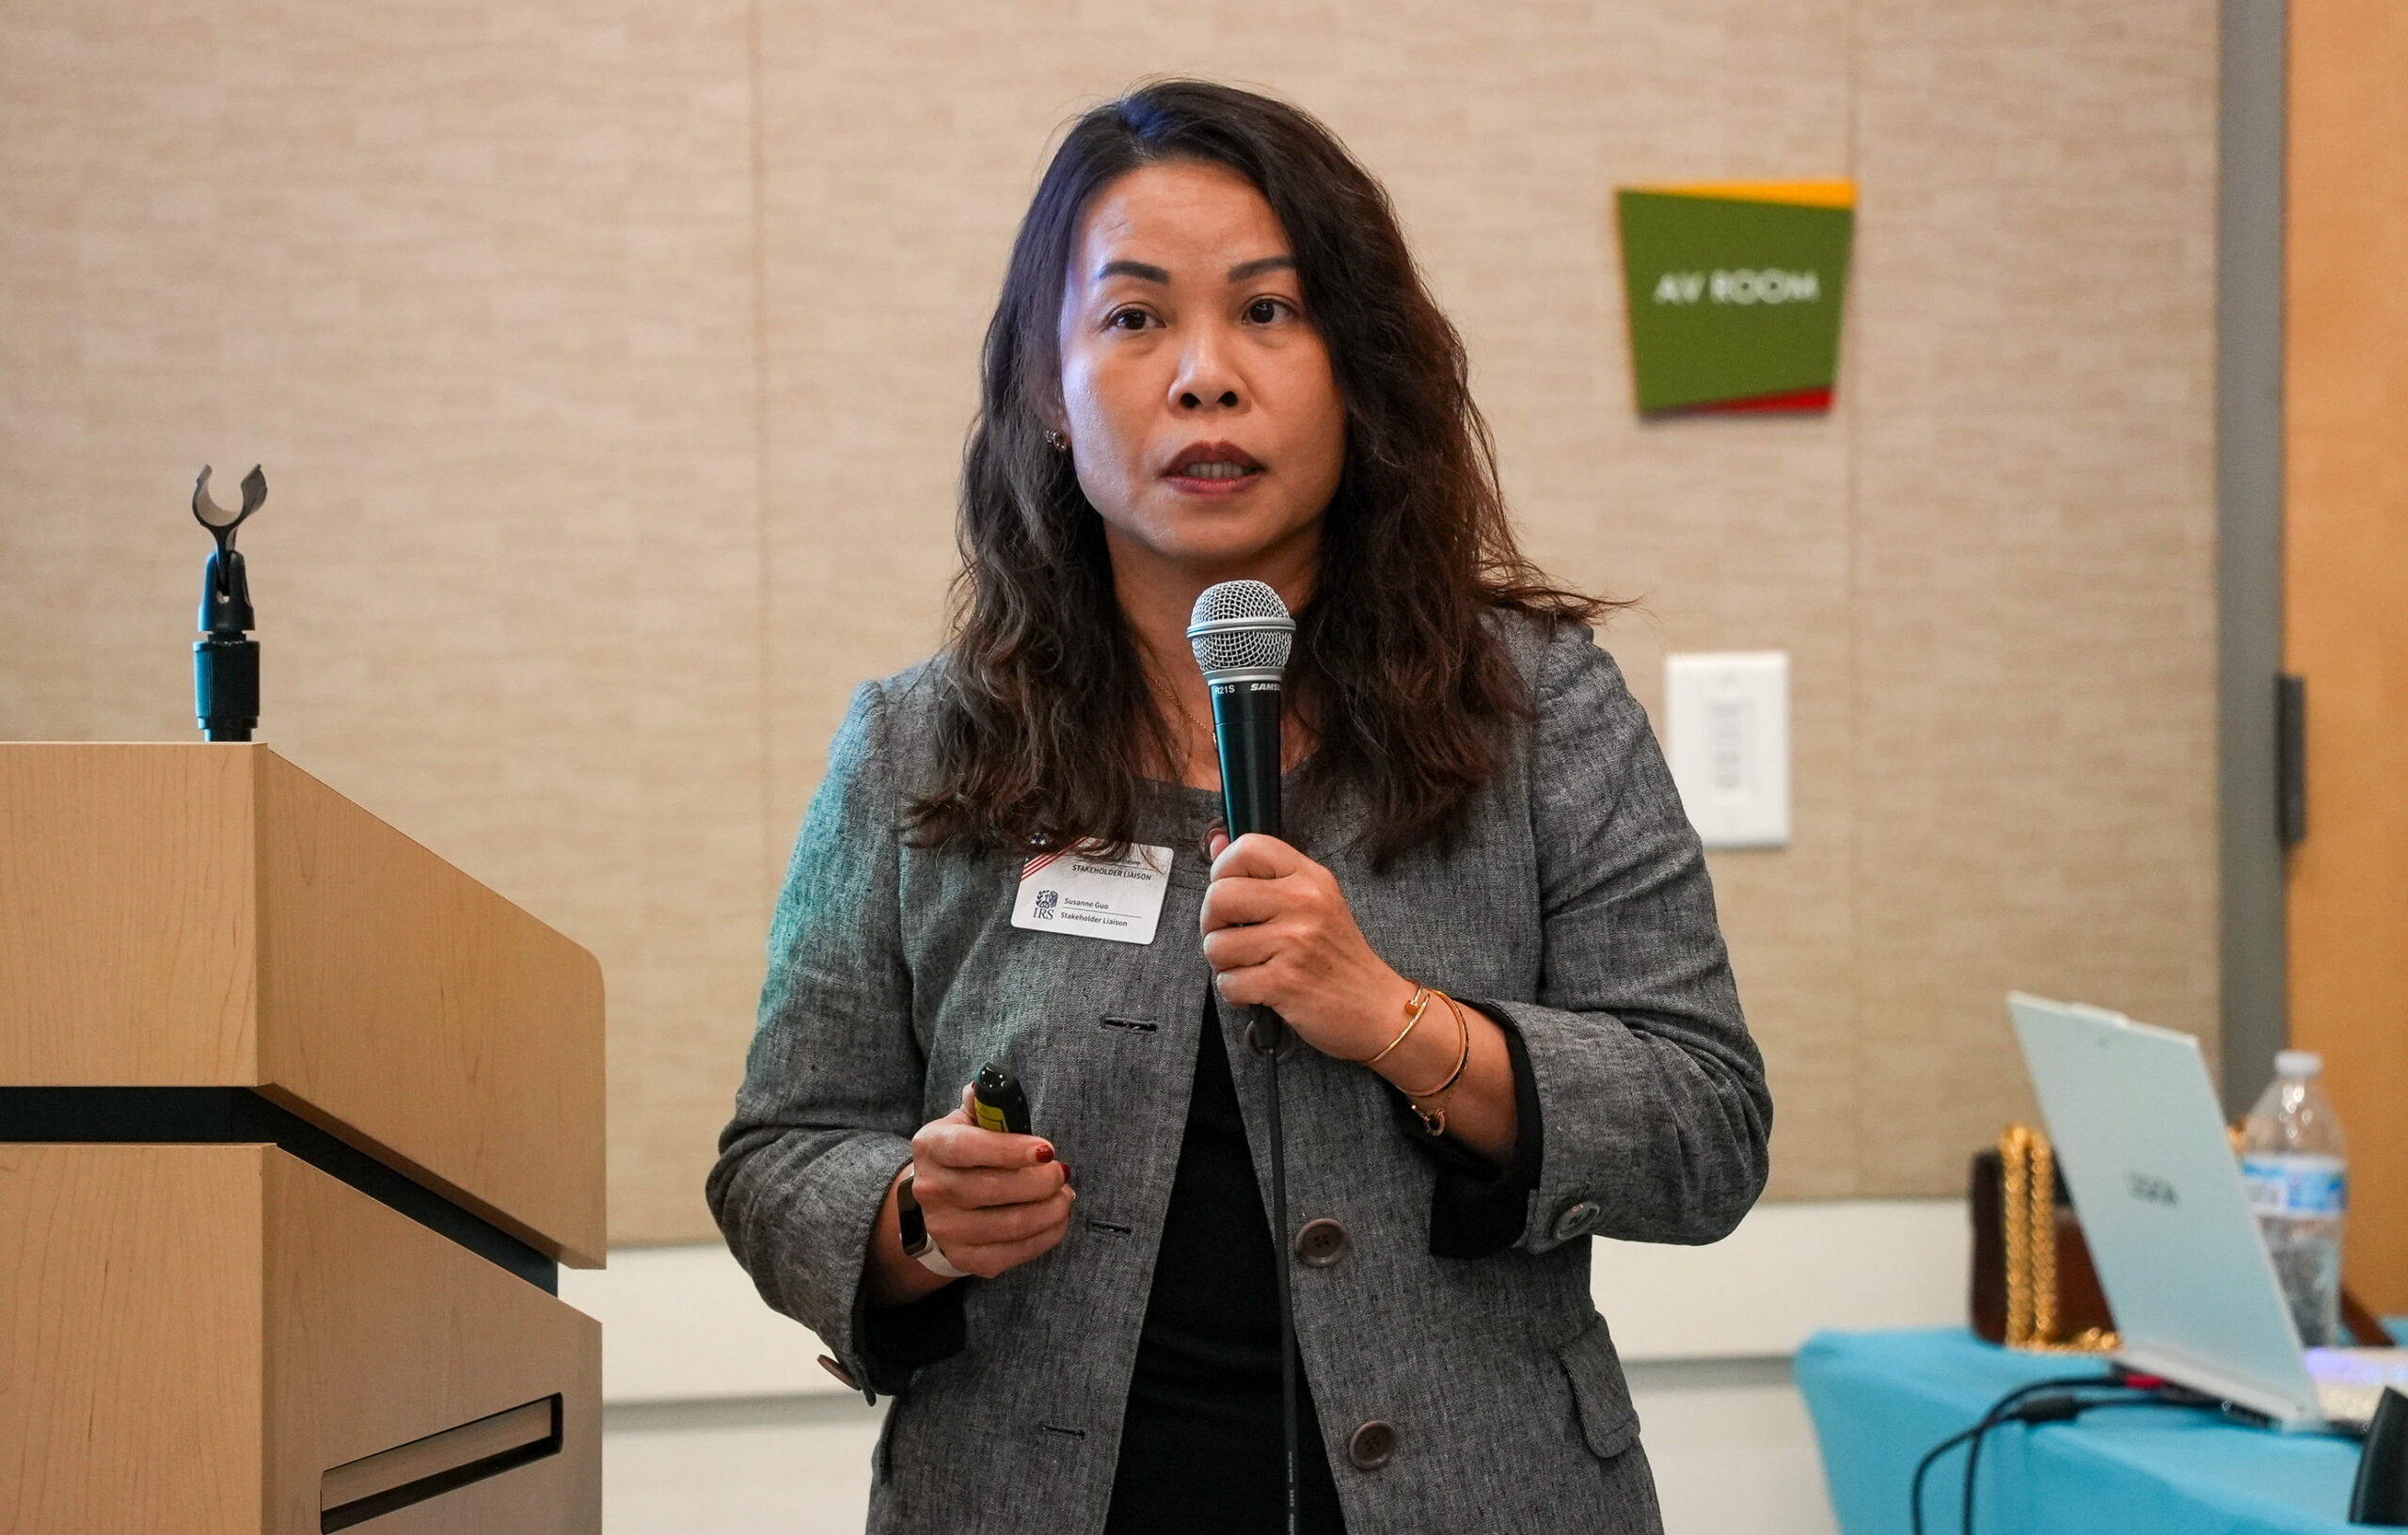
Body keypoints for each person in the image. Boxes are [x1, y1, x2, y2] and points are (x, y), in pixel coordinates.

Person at [707, 78, 1771, 1535]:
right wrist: (916, 1220)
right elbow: (779, 1155)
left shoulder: (1540, 709)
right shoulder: (919, 744)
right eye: (1135, 317)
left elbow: (1706, 1124)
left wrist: (1399, 1019)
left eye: (1268, 311)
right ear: (1049, 391)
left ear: (1356, 369)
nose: (1206, 376)